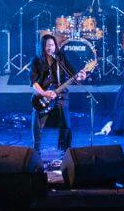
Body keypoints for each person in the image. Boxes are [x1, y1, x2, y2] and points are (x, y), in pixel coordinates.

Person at [31, 31, 87, 160]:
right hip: (42, 94)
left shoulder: (61, 58)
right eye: (47, 45)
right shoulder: (36, 60)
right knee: (37, 121)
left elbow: (73, 74)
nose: (50, 47)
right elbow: (33, 82)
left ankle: (65, 150)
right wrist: (45, 93)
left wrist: (81, 77)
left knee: (66, 123)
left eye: (52, 45)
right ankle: (36, 150)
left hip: (60, 93)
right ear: (43, 47)